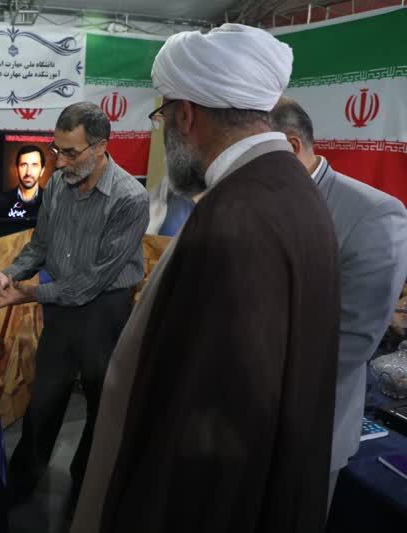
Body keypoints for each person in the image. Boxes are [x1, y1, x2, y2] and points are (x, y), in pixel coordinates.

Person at [72, 24, 341, 533]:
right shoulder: (293, 190)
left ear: (186, 116)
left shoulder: (235, 218)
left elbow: (207, 432)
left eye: (162, 117)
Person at [0, 101, 150, 503]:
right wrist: (8, 275)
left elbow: (93, 281)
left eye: (70, 152)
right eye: (56, 149)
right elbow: (40, 246)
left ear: (100, 147)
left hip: (105, 311)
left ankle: (86, 488)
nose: (60, 162)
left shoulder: (130, 199)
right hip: (61, 308)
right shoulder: (57, 187)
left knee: (102, 405)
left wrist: (28, 293)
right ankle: (21, 485)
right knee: (45, 399)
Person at [271, 97, 407, 507]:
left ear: (291, 146)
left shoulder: (372, 213)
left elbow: (351, 342)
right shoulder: (253, 201)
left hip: (304, 428)